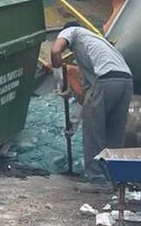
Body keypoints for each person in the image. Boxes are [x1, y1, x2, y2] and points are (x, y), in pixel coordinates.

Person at [50, 23, 133, 190]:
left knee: (94, 131)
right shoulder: (97, 45)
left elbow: (55, 51)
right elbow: (84, 96)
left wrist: (58, 75)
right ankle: (114, 179)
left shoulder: (73, 30)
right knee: (114, 133)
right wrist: (74, 122)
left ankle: (97, 180)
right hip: (126, 81)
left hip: (106, 80)